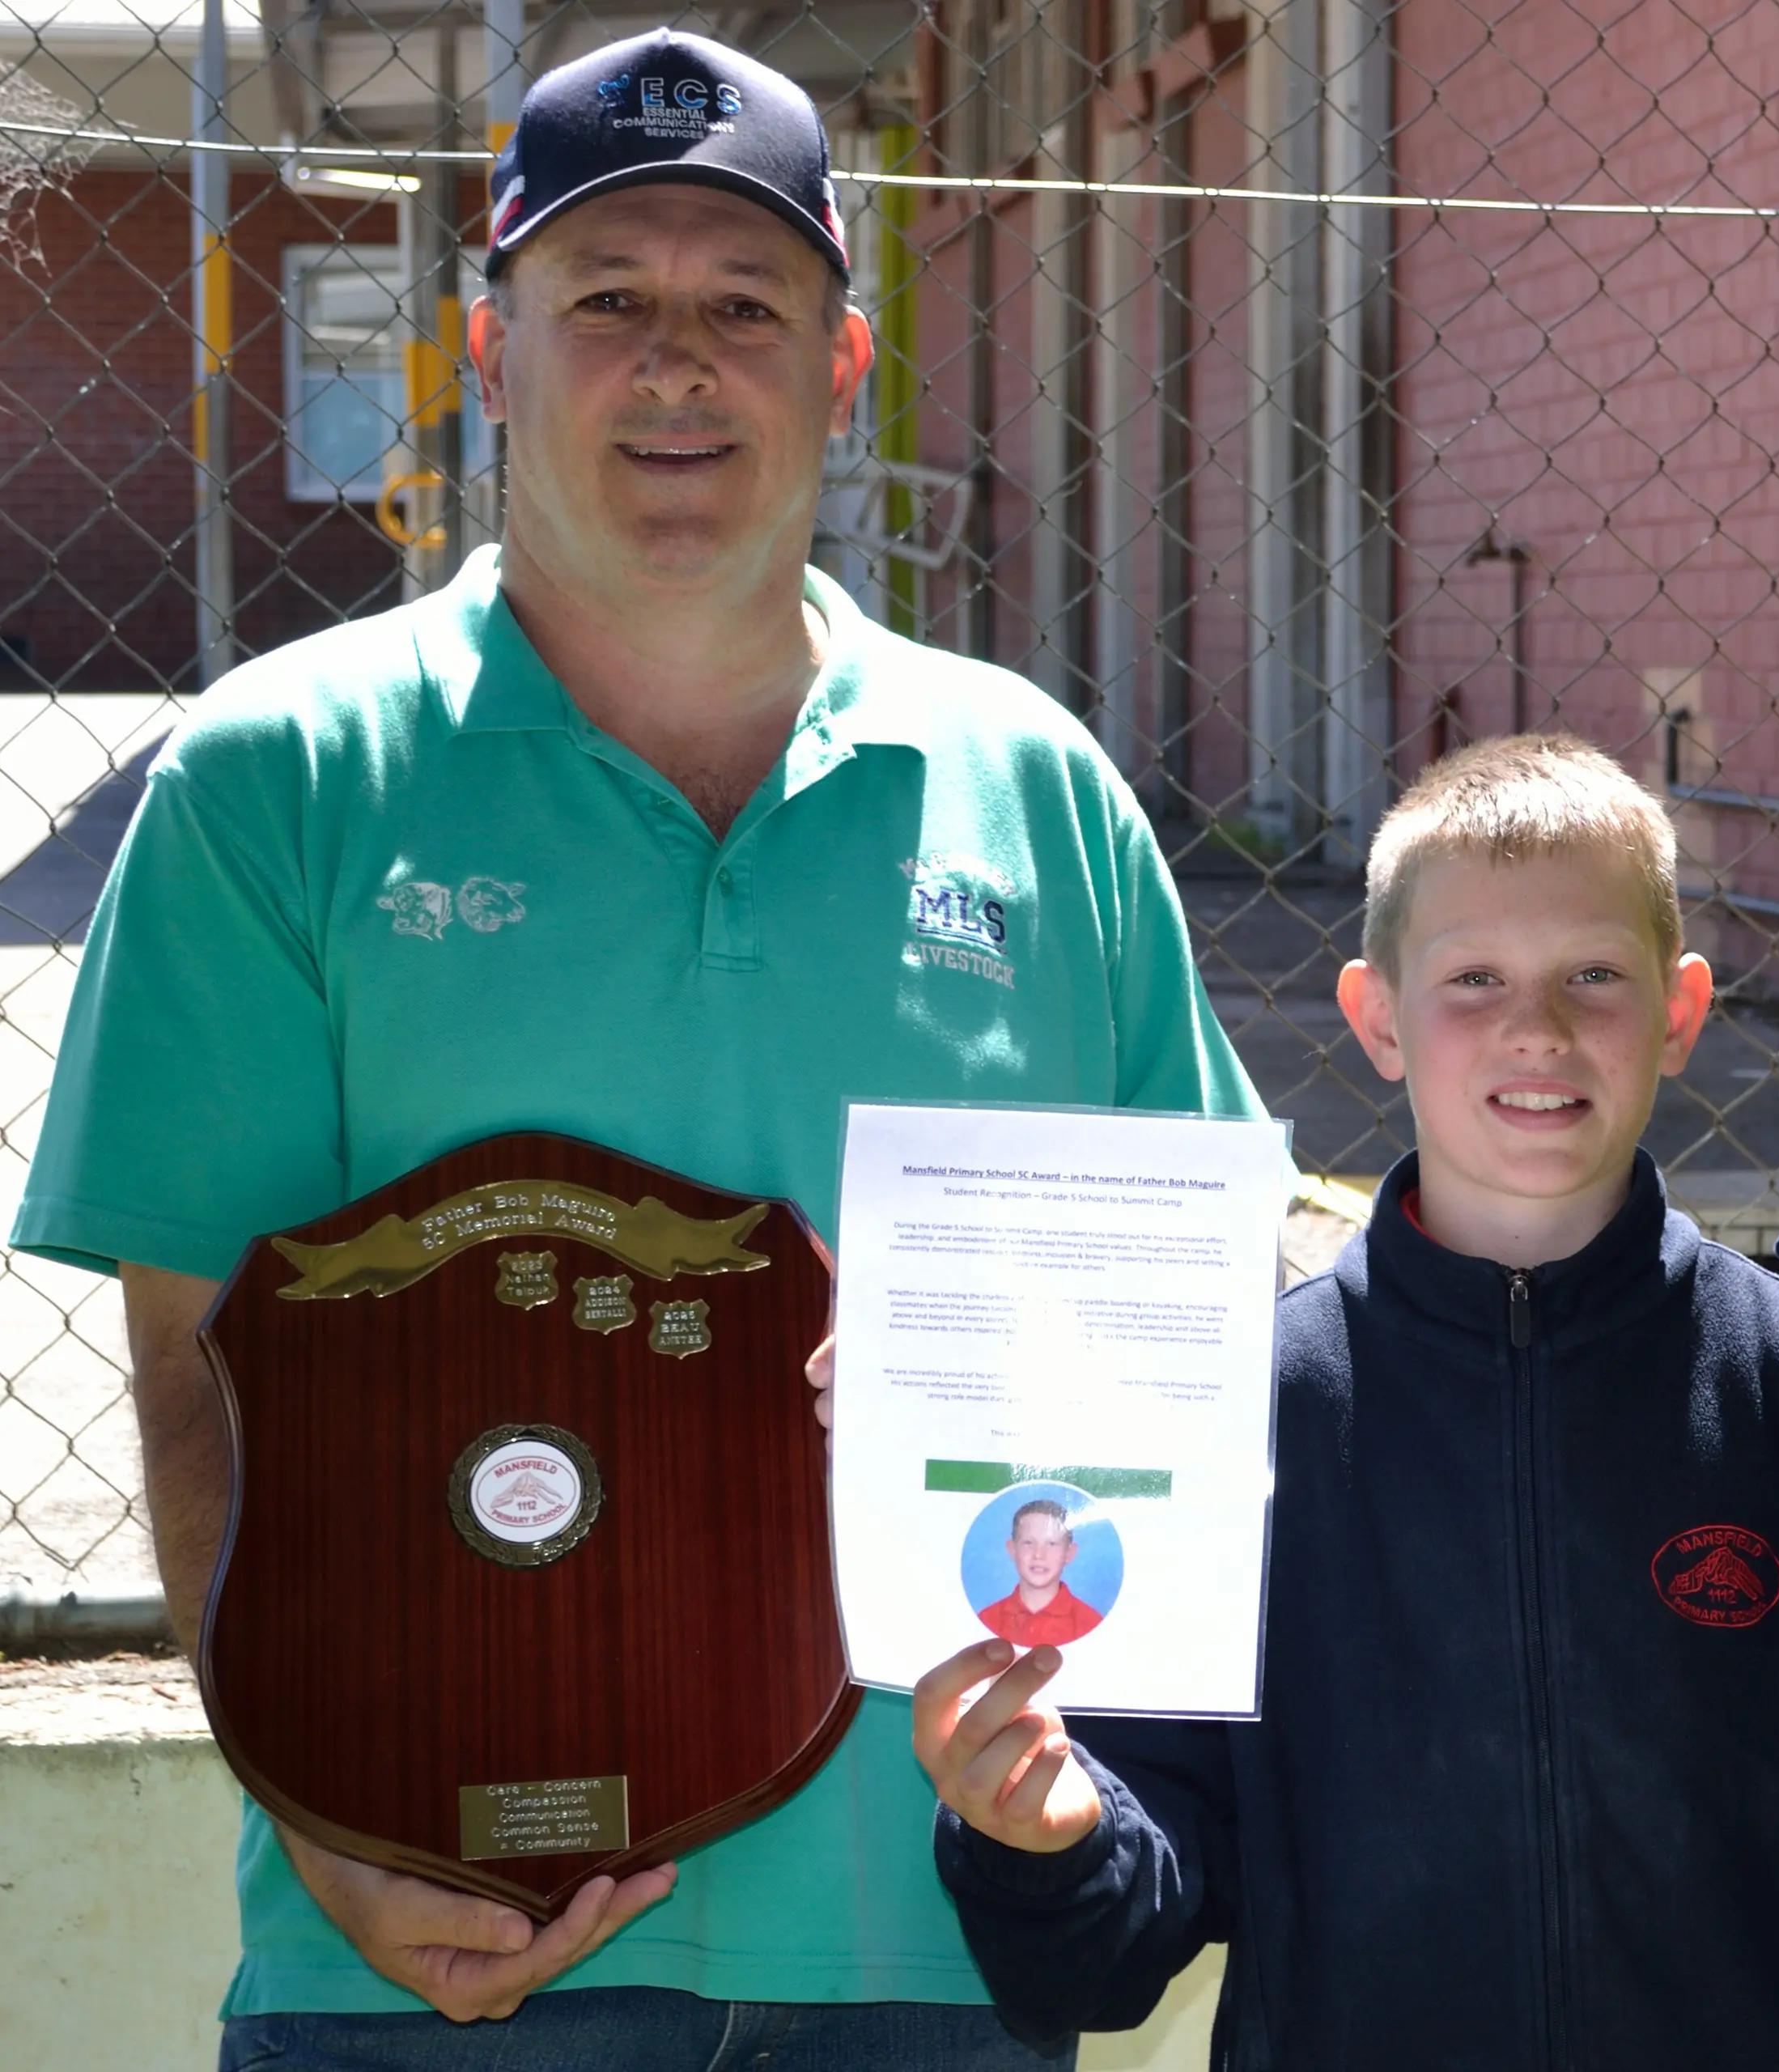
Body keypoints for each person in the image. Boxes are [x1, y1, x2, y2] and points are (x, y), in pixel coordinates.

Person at [15, 29, 1256, 2068]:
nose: (676, 362)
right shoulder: (282, 779)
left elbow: (1172, 1335)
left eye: (742, 305)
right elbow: (194, 1362)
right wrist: (328, 1830)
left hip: (923, 1941)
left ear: (841, 365)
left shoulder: (1030, 786)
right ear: (488, 353)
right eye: (606, 301)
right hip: (431, 1927)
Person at [890, 736, 1779, 2067]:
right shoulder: (1235, 1417)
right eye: (1475, 979)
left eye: (1594, 975)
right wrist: (1044, 1841)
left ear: (1681, 1011)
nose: (1538, 1027)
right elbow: (1113, 1948)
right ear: (1375, 1019)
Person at [979, 1501, 1106, 1648]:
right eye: (1028, 1542)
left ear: (1069, 1553)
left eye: (1051, 1544)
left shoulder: (1091, 1623)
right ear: (1012, 1550)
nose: (1038, 1555)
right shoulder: (986, 1620)